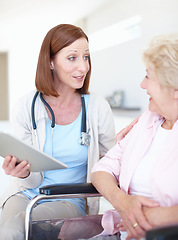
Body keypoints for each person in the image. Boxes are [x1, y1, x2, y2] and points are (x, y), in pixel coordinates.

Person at [0, 23, 118, 240]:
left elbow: (109, 162)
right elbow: (29, 177)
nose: (83, 67)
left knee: (17, 226)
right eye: (72, 58)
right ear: (50, 62)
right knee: (6, 229)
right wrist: (23, 172)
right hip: (25, 192)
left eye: (86, 57)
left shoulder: (97, 108)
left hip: (69, 198)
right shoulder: (26, 106)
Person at [85, 33, 178, 240]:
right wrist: (123, 202)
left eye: (148, 76)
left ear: (175, 89)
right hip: (119, 232)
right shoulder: (147, 120)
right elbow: (102, 169)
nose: (142, 85)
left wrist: (149, 217)